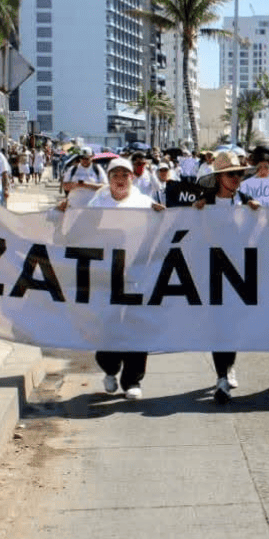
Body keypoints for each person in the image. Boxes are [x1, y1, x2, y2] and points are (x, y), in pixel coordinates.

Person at [58, 158, 164, 399]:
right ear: (108, 178)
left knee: (137, 328)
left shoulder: (145, 203)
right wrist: (62, 214)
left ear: (132, 178)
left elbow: (163, 233)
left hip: (136, 277)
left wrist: (167, 217)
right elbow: (76, 234)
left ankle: (132, 381)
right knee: (108, 328)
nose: (120, 178)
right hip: (105, 277)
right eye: (115, 174)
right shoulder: (96, 205)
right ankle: (110, 369)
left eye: (125, 174)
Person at [195, 150, 262, 403]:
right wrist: (194, 214)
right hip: (211, 272)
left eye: (239, 174)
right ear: (219, 178)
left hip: (240, 273)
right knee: (217, 325)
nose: (236, 178)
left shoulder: (247, 201)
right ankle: (221, 377)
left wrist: (259, 214)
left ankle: (228, 366)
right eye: (231, 174)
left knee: (232, 326)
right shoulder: (203, 203)